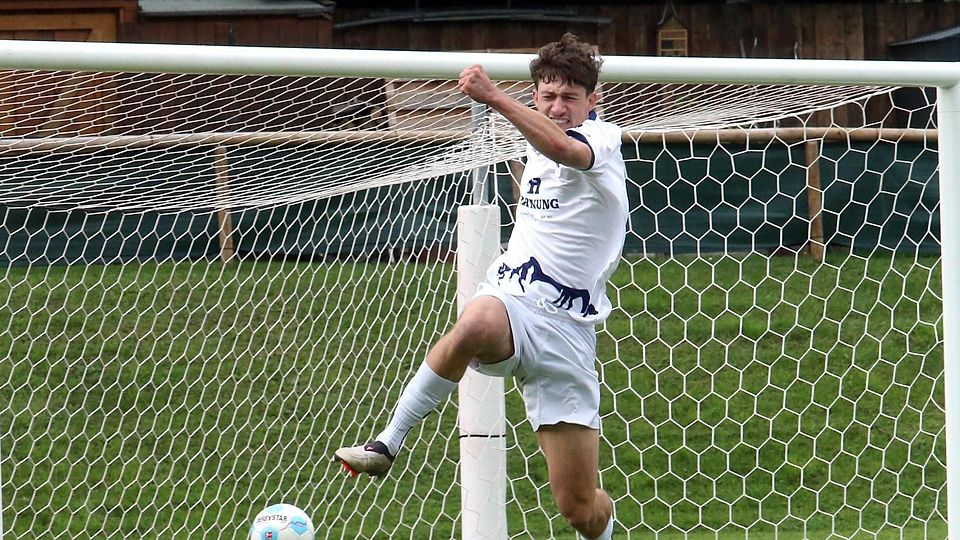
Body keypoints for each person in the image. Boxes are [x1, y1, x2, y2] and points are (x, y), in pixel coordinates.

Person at [335, 33, 627, 540]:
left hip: (569, 338)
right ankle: (388, 442)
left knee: (580, 508)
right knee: (475, 322)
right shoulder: (534, 139)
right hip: (515, 302)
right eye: (548, 96)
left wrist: (493, 96)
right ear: (536, 94)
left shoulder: (601, 141)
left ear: (592, 100)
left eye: (570, 98)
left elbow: (562, 147)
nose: (558, 107)